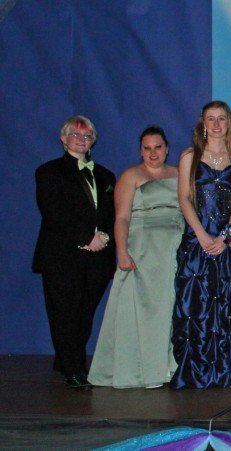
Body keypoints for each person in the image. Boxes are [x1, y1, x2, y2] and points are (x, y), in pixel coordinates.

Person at [88, 126, 182, 388]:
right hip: (141, 248)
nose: (153, 153)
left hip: (174, 248)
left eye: (158, 147)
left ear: (167, 148)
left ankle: (166, 368)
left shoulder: (179, 173)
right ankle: (139, 370)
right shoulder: (130, 176)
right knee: (140, 309)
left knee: (169, 308)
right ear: (140, 150)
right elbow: (122, 217)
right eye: (147, 148)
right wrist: (122, 251)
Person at [33, 115, 116, 390]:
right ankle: (74, 368)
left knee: (84, 314)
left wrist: (102, 236)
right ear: (63, 138)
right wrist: (85, 238)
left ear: (93, 140)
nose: (81, 140)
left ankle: (67, 359)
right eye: (76, 135)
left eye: (87, 136)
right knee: (65, 313)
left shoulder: (105, 175)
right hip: (62, 256)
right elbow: (54, 211)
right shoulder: (48, 172)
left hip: (97, 257)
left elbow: (110, 213)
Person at [171, 100, 231, 389]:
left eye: (221, 119)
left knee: (224, 306)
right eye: (210, 119)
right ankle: (193, 371)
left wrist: (225, 236)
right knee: (194, 305)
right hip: (197, 241)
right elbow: (184, 199)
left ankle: (222, 370)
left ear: (229, 123)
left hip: (225, 243)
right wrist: (202, 235)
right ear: (202, 123)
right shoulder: (190, 157)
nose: (216, 124)